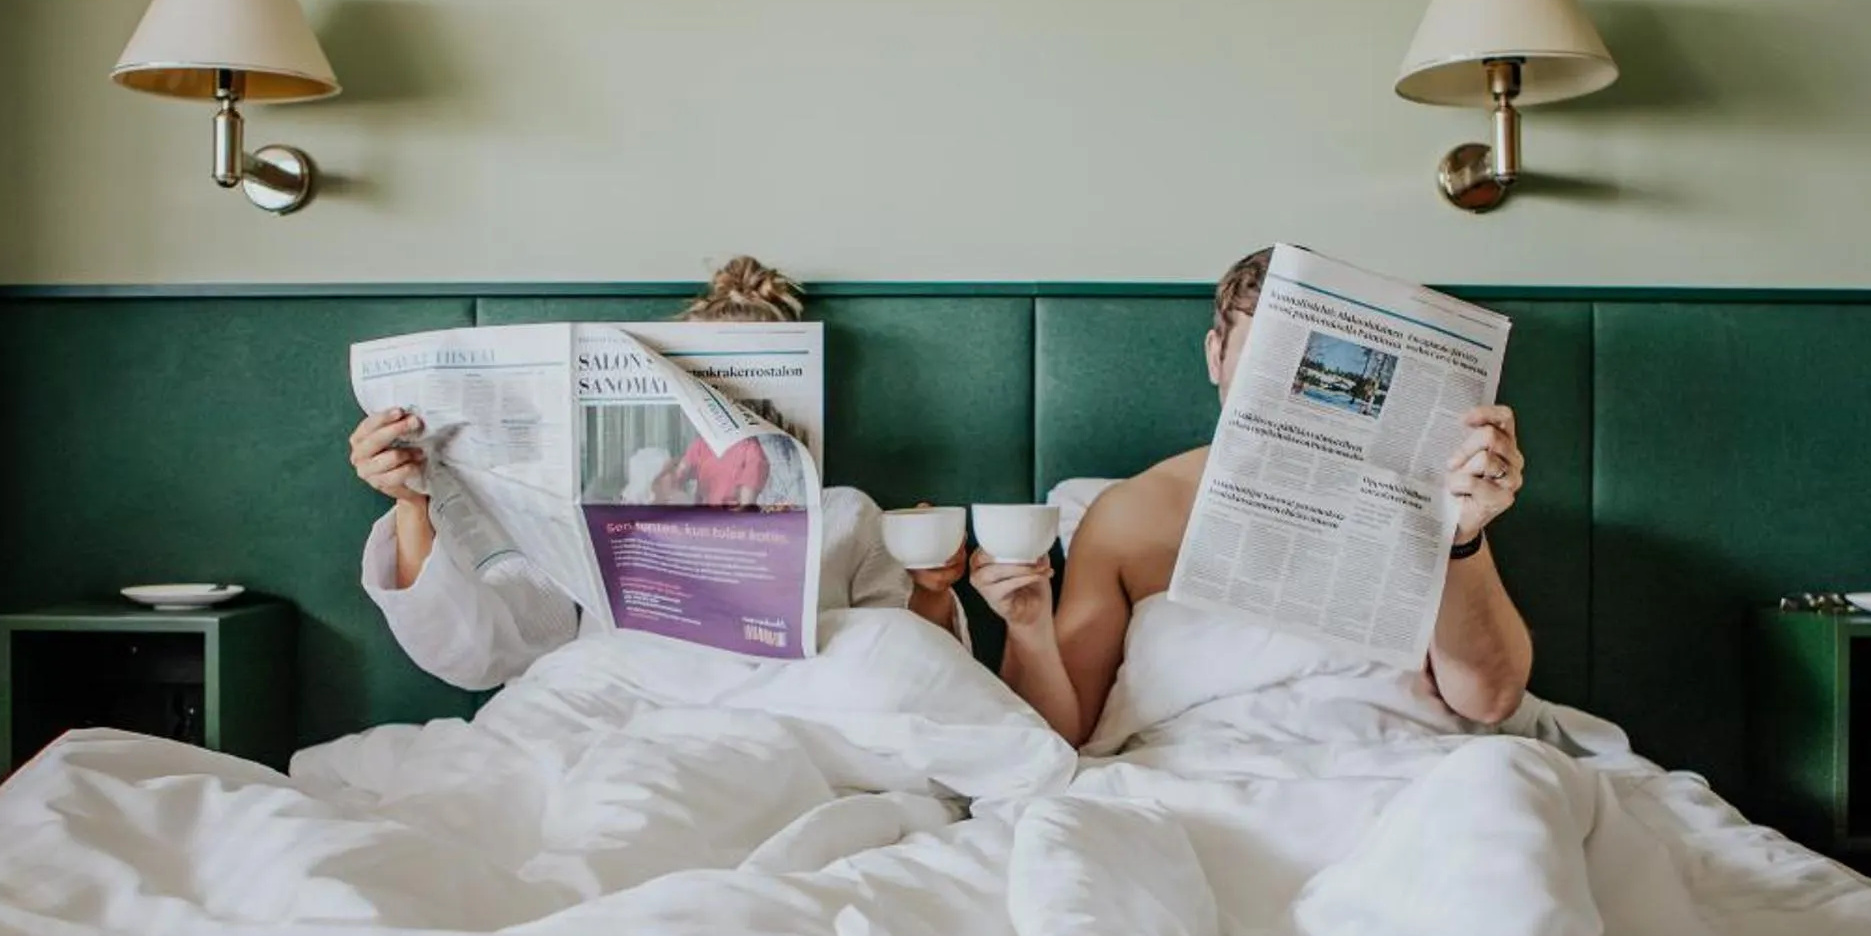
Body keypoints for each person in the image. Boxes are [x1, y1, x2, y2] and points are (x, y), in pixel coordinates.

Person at [967, 247, 1534, 746]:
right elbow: (1059, 738)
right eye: (1268, 353)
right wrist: (1027, 628)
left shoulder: (1427, 496)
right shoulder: (1131, 515)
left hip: (1400, 764)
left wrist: (1461, 539)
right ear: (1216, 354)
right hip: (1195, 771)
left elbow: (1489, 702)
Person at [348, 256, 967, 690]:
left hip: (785, 723)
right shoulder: (605, 509)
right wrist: (411, 504)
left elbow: (914, 671)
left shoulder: (850, 517)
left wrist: (934, 589)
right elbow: (473, 654)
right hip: (615, 720)